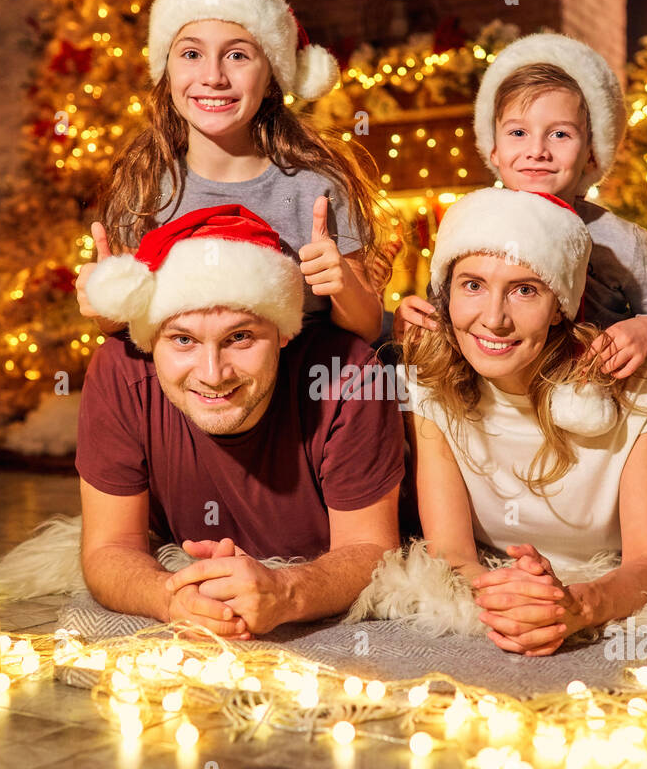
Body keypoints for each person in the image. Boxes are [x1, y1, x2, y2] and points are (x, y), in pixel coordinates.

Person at [391, 33, 647, 531]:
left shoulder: (621, 242)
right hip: (507, 434)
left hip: (606, 438)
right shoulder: (474, 225)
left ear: (592, 152)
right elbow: (462, 313)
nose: (537, 152)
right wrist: (413, 316)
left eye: (560, 135)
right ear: (493, 149)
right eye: (518, 133)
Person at [77, 204, 404, 636]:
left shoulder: (348, 375)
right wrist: (171, 596)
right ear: (150, 339)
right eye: (182, 340)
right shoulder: (119, 371)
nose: (213, 374)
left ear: (285, 331)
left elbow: (371, 547)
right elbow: (109, 545)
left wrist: (286, 591)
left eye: (240, 337)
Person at [382, 187, 647, 657]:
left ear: (561, 305)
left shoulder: (638, 383)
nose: (494, 319)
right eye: (472, 285)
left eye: (524, 290)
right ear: (447, 294)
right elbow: (453, 554)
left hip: (602, 571)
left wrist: (580, 604)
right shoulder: (429, 382)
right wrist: (507, 595)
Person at [75, 0, 392, 343]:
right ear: (168, 71)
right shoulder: (143, 187)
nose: (213, 77)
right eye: (191, 54)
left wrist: (342, 284)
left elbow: (368, 326)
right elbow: (118, 326)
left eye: (237, 55)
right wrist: (105, 299)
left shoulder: (315, 188)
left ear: (271, 76)